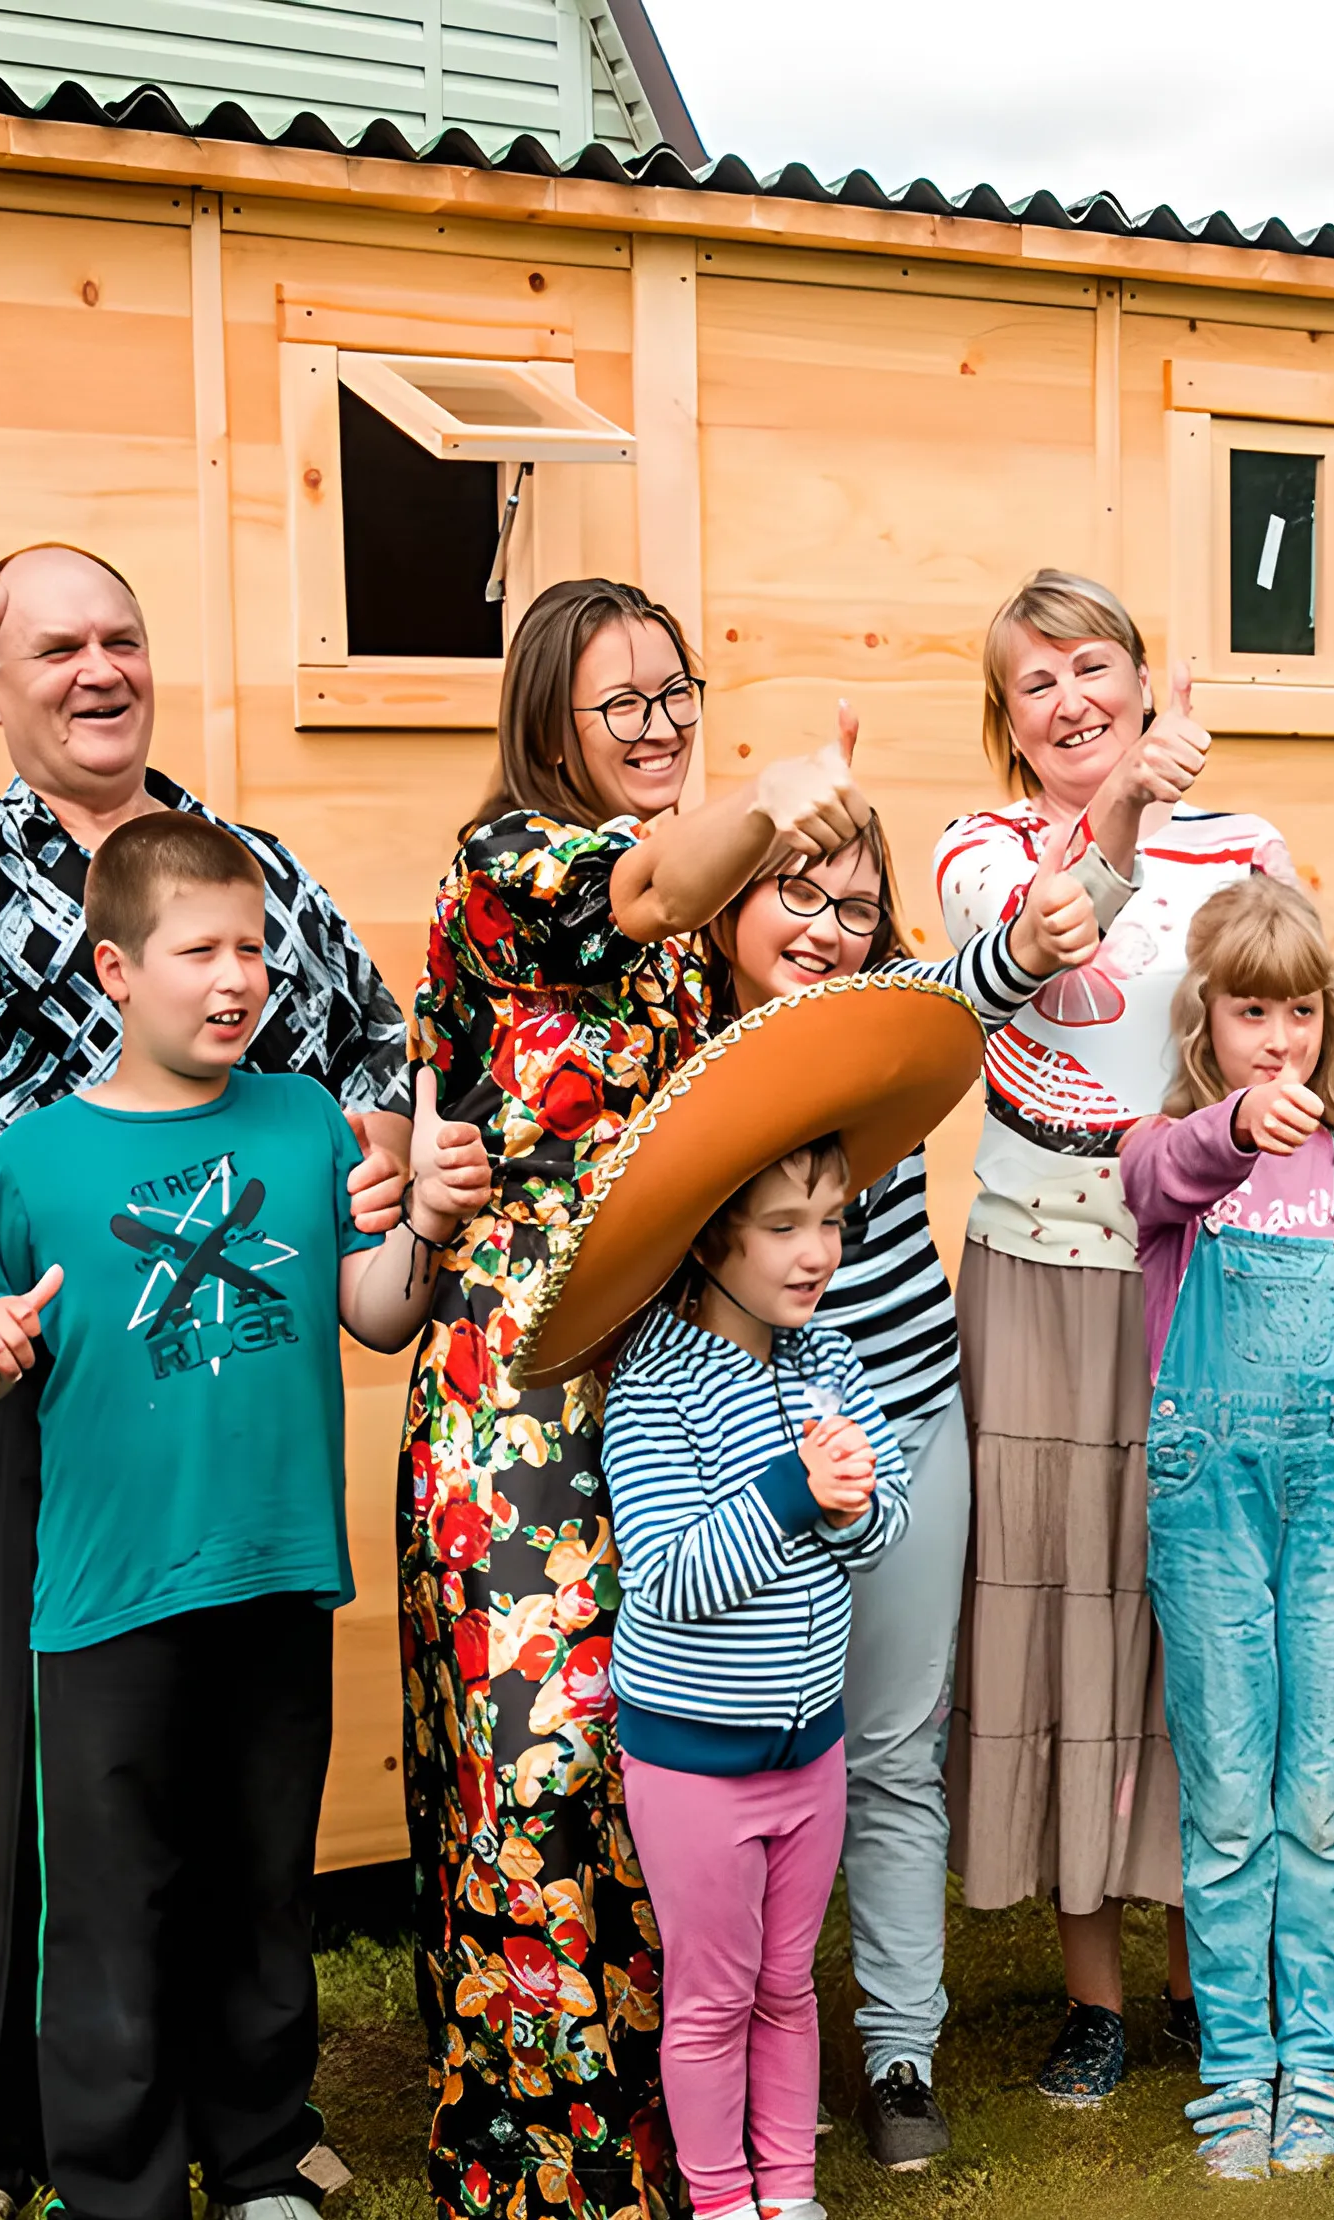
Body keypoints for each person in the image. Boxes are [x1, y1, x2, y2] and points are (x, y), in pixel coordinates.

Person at [0, 544, 409, 2220]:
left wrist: (376, 1171)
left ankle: (247, 2127)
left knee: (221, 1800)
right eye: (55, 646)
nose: (97, 668)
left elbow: (370, 1046)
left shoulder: (241, 869)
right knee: (28, 1786)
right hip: (11, 1362)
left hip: (219, 1397)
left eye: (121, 637)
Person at [0, 814, 492, 2220]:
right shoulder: (36, 1160)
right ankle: (118, 2190)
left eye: (252, 947)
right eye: (199, 951)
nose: (235, 976)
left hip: (278, 1577)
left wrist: (425, 1224)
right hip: (106, 1605)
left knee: (261, 1894)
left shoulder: (303, 1122)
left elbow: (376, 1314)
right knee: (109, 1917)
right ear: (116, 970)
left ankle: (257, 2161)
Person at [400, 576, 877, 2220]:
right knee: (532, 1777)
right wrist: (773, 797)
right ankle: (541, 2171)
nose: (661, 723)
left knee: (653, 1769)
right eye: (624, 701)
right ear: (549, 720)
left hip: (665, 1377)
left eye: (679, 693)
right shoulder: (512, 865)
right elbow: (657, 878)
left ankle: (692, 2155)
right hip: (515, 1401)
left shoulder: (686, 929)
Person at [935, 567, 1334, 2107]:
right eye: (1034, 683)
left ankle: (1202, 1979)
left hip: (1219, 1293)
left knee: (1191, 1625)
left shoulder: (1249, 847)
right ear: (1006, 722)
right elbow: (1044, 944)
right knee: (1064, 1616)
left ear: (1142, 681)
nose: (1069, 700)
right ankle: (1088, 1993)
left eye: (1093, 666)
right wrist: (1127, 814)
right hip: (1038, 1277)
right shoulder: (978, 850)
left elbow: (1315, 1060)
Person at [704, 814, 1098, 2165]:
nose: (826, 928)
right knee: (742, 1759)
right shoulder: (680, 1042)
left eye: (857, 905)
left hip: (911, 1424)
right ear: (728, 903)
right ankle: (750, 2044)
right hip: (740, 1446)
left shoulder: (892, 1017)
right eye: (795, 895)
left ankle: (898, 2053)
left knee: (889, 1751)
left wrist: (1044, 920)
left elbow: (990, 972)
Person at [1120, 877, 1334, 2180]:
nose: (1279, 1039)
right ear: (1206, 1018)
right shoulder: (1172, 1160)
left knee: (1322, 1804)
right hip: (1207, 1518)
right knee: (1231, 1800)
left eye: (1299, 1011)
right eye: (1251, 1012)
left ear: (1324, 1018)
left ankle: (1317, 2062)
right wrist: (1236, 1124)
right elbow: (1165, 1170)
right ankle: (1236, 2069)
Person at [603, 1135, 906, 2220]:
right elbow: (670, 1573)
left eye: (830, 1223)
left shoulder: (833, 1361)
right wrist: (792, 1493)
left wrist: (857, 1508)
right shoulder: (656, 1382)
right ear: (710, 1238)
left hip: (809, 1753)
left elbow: (885, 1528)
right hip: (696, 1765)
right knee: (713, 1997)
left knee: (786, 1985)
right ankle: (722, 2197)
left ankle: (791, 2192)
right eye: (783, 1227)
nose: (817, 1252)